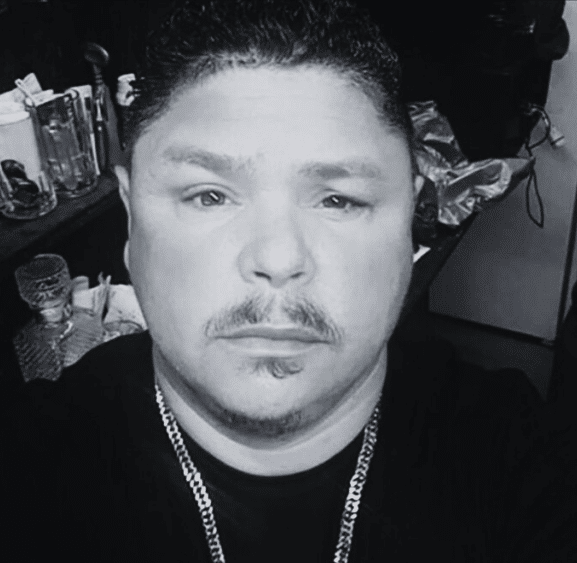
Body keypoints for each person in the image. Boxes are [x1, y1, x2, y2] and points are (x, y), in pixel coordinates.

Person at [2, 1, 576, 561]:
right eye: (209, 196)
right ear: (131, 220)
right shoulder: (35, 465)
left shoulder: (515, 459)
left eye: (338, 200)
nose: (278, 258)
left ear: (411, 223)